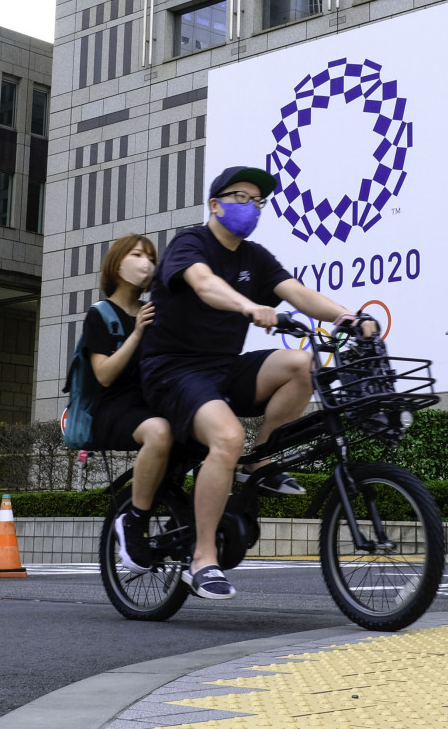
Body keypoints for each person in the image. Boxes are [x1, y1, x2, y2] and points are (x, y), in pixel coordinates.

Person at [141, 165, 376, 600]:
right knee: (229, 437)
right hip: (173, 371)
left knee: (303, 364)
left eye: (258, 201)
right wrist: (248, 306)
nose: (251, 207)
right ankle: (202, 559)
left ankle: (261, 459)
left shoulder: (255, 257)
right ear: (215, 205)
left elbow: (298, 293)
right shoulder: (190, 243)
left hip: (224, 368)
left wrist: (347, 316)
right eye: (241, 198)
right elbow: (205, 284)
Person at [82, 234, 173, 574]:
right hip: (113, 410)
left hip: (151, 404)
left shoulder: (154, 311)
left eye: (151, 258)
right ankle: (134, 521)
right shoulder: (100, 315)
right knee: (159, 432)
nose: (146, 263)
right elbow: (104, 375)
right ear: (117, 264)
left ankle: (182, 519)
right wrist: (136, 334)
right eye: (137, 255)